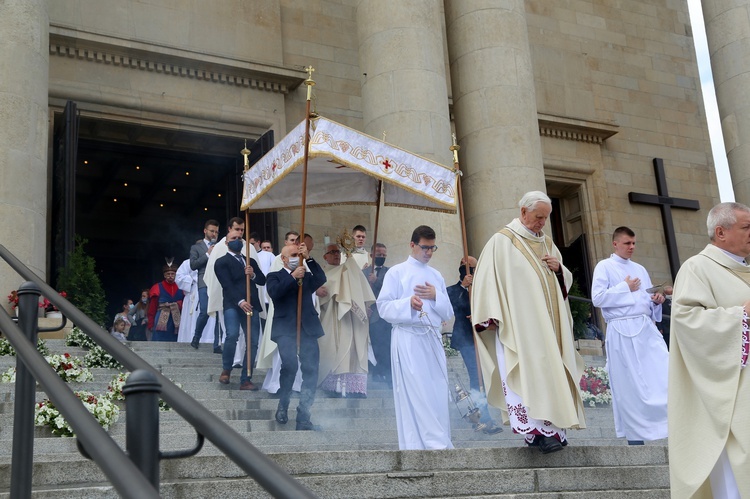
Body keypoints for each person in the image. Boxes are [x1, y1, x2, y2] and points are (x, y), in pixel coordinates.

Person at [470, 191, 586, 454]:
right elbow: (487, 280)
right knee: (526, 376)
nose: (541, 223)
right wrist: (489, 316)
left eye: (545, 218)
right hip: (519, 328)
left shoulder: (547, 244)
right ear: (523, 212)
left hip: (550, 329)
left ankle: (554, 431)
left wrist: (559, 269)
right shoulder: (502, 241)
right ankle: (536, 433)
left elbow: (563, 279)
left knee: (551, 374)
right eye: (538, 217)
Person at [669, 202, 750, 498]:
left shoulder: (744, 270)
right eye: (746, 227)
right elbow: (687, 321)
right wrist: (741, 316)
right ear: (721, 232)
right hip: (729, 395)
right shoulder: (697, 268)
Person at [377, 225, 455, 450]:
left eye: (432, 248)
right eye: (424, 248)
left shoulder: (436, 275)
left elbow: (448, 312)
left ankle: (440, 437)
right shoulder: (397, 272)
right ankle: (425, 443)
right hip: (408, 339)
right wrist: (407, 304)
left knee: (437, 388)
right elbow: (383, 307)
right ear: (412, 245)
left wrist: (436, 296)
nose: (428, 253)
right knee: (416, 389)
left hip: (432, 339)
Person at [591, 226, 668, 445]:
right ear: (615, 244)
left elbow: (644, 299)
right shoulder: (604, 267)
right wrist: (624, 287)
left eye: (634, 243)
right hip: (621, 330)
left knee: (662, 373)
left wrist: (656, 301)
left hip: (645, 328)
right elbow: (597, 299)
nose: (632, 247)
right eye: (627, 243)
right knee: (628, 383)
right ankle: (636, 436)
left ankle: (669, 425)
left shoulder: (640, 268)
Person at [266, 241, 326, 431]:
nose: (296, 259)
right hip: (286, 328)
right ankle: (283, 405)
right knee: (290, 366)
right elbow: (275, 293)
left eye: (298, 256)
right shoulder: (274, 276)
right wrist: (292, 277)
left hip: (307, 327)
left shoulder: (307, 276)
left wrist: (309, 258)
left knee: (311, 370)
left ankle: (304, 413)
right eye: (293, 256)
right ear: (283, 259)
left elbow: (321, 278)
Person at [446, 256, 502, 434]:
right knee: (476, 376)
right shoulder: (453, 289)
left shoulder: (483, 288)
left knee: (485, 376)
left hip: (485, 336)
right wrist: (463, 286)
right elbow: (453, 306)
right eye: (468, 267)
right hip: (466, 338)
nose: (472, 270)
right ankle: (483, 419)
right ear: (462, 269)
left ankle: (483, 415)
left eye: (474, 267)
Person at [317, 242, 376, 397]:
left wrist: (362, 306)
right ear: (325, 256)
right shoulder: (321, 274)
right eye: (332, 252)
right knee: (333, 350)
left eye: (338, 252)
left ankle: (352, 388)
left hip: (349, 318)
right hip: (330, 318)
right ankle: (332, 387)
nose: (336, 254)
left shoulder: (346, 270)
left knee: (351, 351)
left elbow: (357, 283)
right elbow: (320, 296)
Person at [215, 232, 265, 390]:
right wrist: (240, 301)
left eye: (239, 239)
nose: (237, 241)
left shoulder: (249, 261)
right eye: (233, 239)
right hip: (233, 304)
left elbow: (262, 280)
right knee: (232, 335)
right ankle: (227, 369)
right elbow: (227, 285)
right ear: (226, 242)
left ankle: (246, 378)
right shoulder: (221, 262)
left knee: (253, 341)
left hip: (252, 304)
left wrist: (253, 274)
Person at [204, 217, 261, 354]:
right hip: (228, 297)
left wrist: (252, 274)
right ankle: (233, 359)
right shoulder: (218, 247)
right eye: (237, 229)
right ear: (229, 229)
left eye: (242, 230)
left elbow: (259, 275)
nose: (240, 232)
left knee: (247, 333)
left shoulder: (249, 247)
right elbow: (212, 273)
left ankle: (243, 359)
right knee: (231, 332)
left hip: (247, 297)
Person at [363, 243, 392, 385]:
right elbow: (359, 291)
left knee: (387, 346)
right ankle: (377, 374)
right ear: (371, 255)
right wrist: (364, 307)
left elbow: (391, 291)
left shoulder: (391, 272)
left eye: (384, 255)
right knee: (374, 346)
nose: (382, 257)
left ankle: (388, 375)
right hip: (371, 315)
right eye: (379, 255)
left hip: (386, 316)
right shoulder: (364, 272)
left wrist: (377, 281)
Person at [189, 219, 220, 350]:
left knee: (219, 313)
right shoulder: (196, 247)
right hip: (204, 281)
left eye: (216, 232)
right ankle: (196, 337)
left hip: (218, 281)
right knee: (204, 310)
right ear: (205, 231)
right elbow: (193, 265)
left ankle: (217, 344)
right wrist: (208, 254)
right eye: (212, 231)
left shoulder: (221, 246)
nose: (214, 234)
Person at [175, 257, 216, 345]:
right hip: (193, 295)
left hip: (211, 293)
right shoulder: (188, 263)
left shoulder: (214, 260)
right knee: (191, 321)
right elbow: (178, 278)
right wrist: (193, 279)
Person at [147, 263, 184, 342]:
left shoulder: (181, 286)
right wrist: (151, 322)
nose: (170, 276)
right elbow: (152, 307)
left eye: (172, 274)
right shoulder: (157, 287)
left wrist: (179, 304)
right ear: (164, 275)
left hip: (177, 319)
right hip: (161, 317)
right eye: (168, 274)